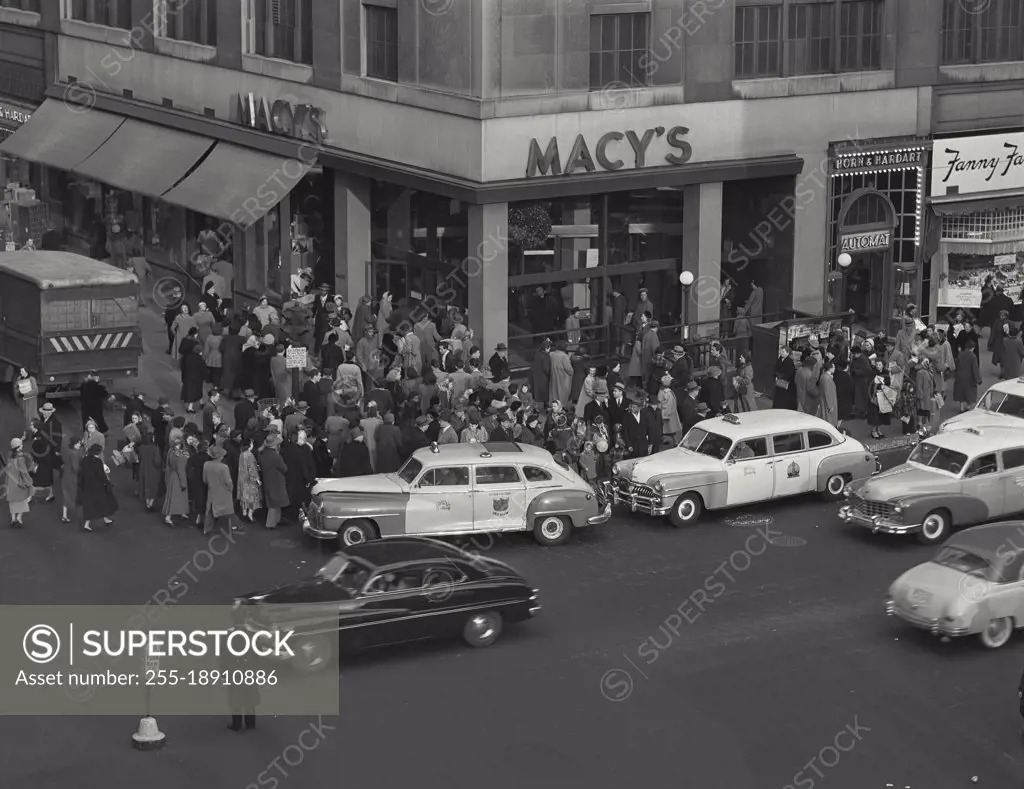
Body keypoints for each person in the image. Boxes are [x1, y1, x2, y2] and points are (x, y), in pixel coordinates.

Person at [78, 443, 116, 531]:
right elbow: (101, 475)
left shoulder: (85, 459)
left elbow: (81, 473)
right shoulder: (98, 462)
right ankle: (102, 520)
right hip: (97, 486)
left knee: (90, 505)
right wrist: (106, 482)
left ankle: (103, 520)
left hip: (87, 486)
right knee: (102, 502)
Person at [203, 445, 237, 534]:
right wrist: (231, 489)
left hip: (212, 491)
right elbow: (228, 482)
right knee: (228, 511)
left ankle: (206, 529)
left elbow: (205, 480)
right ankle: (231, 527)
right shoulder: (224, 467)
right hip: (224, 492)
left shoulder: (206, 464)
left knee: (210, 511)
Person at [259, 434, 289, 530]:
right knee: (275, 503)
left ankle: (277, 520)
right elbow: (284, 468)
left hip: (268, 479)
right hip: (277, 481)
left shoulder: (261, 454)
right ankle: (270, 524)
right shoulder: (276, 456)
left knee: (273, 501)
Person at [6, 437, 35, 528]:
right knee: (23, 500)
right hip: (19, 483)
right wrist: (29, 482)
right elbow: (24, 472)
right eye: (21, 445)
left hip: (10, 482)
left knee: (13, 502)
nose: (22, 445)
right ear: (18, 447)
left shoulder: (9, 455)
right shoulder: (20, 459)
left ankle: (13, 519)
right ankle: (19, 518)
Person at [162, 437, 190, 526]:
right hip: (178, 478)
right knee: (179, 496)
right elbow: (181, 470)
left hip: (172, 476)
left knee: (171, 497)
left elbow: (168, 465)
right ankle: (169, 517)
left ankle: (180, 513)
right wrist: (183, 483)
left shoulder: (170, 452)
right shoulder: (182, 456)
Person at [954, 338, 982, 411]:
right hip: (969, 378)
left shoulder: (960, 354)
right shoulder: (973, 356)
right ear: (972, 348)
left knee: (961, 392)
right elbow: (975, 369)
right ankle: (969, 406)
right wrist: (979, 379)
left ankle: (961, 407)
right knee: (970, 392)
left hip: (959, 376)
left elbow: (956, 364)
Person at [818, 359, 839, 427]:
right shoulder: (827, 378)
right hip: (829, 403)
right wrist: (830, 406)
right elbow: (827, 393)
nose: (834, 368)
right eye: (833, 367)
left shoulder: (824, 376)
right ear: (830, 368)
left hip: (826, 401)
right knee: (829, 420)